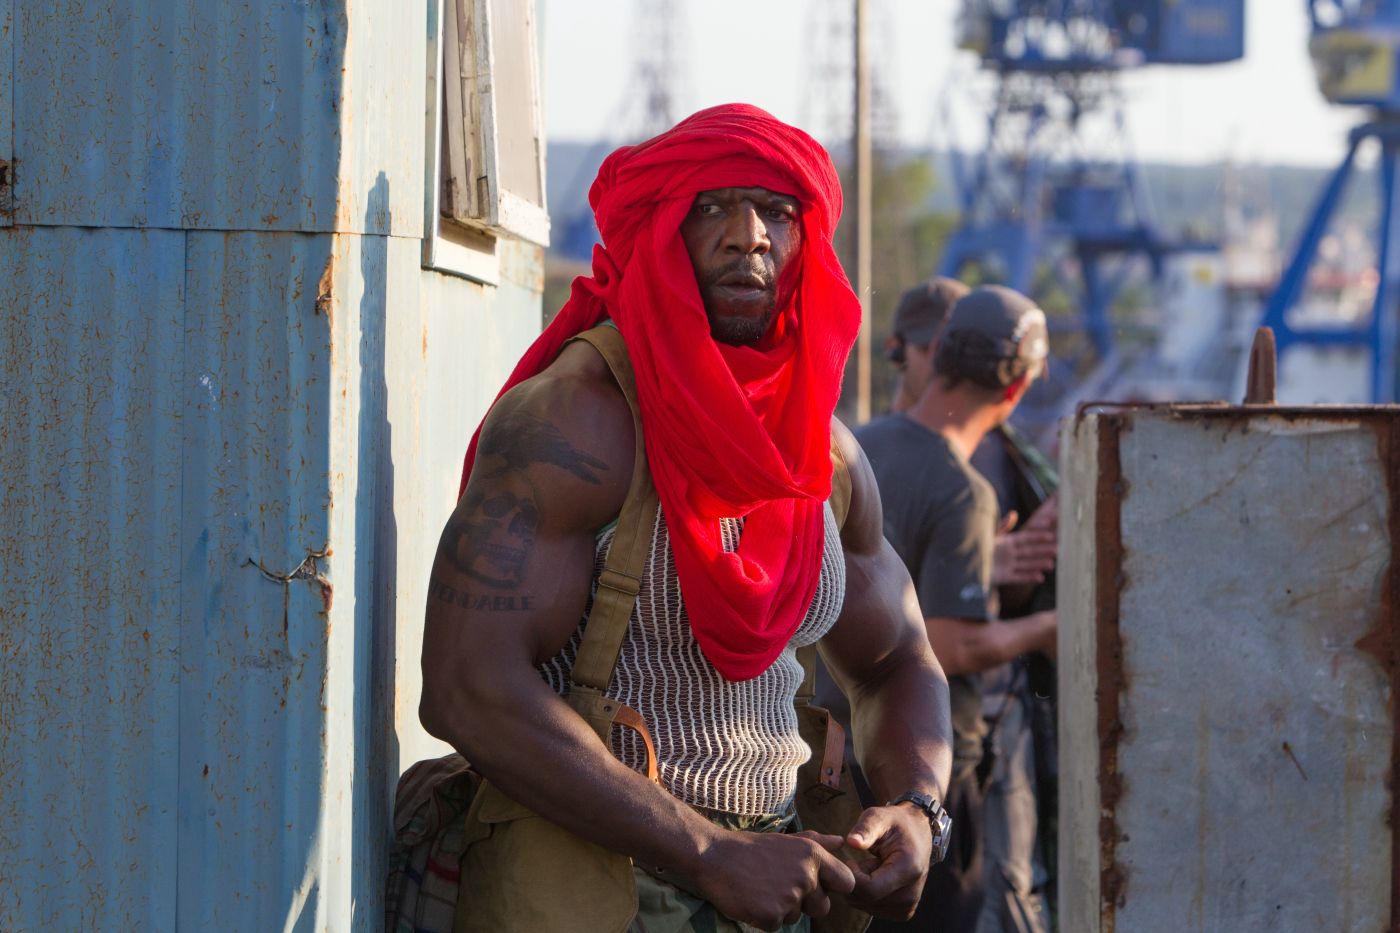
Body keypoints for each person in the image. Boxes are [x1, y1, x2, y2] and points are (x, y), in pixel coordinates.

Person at [418, 104, 954, 932]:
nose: (749, 235)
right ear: (661, 231)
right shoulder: (580, 420)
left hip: (774, 878)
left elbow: (898, 661)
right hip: (587, 881)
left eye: (777, 209)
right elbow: (466, 686)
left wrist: (920, 807)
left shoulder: (825, 459)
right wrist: (705, 850)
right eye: (712, 208)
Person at [851, 285, 1058, 933]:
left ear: (937, 353)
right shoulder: (965, 491)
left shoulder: (858, 447)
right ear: (1016, 389)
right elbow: (949, 642)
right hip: (924, 776)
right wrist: (1051, 627)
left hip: (841, 759)